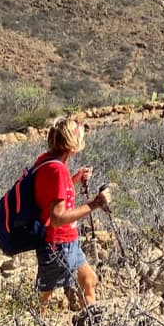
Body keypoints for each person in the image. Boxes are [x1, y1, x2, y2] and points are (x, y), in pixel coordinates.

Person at [32, 116, 110, 311]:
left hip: (66, 243)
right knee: (43, 299)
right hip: (58, 245)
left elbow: (52, 193)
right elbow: (57, 218)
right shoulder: (57, 170)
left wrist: (74, 179)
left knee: (89, 280)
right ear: (73, 144)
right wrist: (96, 203)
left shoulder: (49, 161)